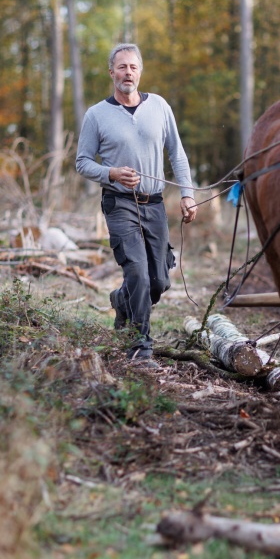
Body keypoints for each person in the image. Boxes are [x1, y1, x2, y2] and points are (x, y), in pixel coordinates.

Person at [76, 43, 198, 366]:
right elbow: (82, 162)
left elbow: (177, 154)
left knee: (158, 280)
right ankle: (140, 347)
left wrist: (187, 193)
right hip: (119, 204)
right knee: (139, 275)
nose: (127, 72)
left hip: (155, 203)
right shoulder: (96, 115)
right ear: (111, 72)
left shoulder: (159, 106)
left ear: (140, 71)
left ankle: (121, 299)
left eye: (133, 67)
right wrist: (111, 173)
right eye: (121, 67)